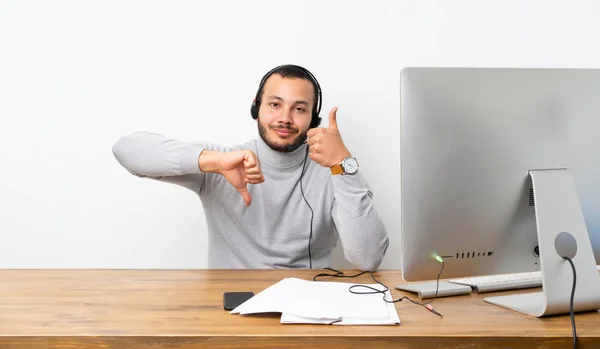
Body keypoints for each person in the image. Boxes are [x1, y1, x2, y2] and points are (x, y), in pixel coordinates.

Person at [112, 64, 389, 271]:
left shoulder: (335, 172)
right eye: (274, 104)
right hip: (230, 309)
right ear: (256, 108)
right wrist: (215, 163)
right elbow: (126, 150)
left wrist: (343, 164)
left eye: (299, 109)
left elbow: (368, 258)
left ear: (313, 120)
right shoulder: (223, 160)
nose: (285, 118)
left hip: (306, 310)